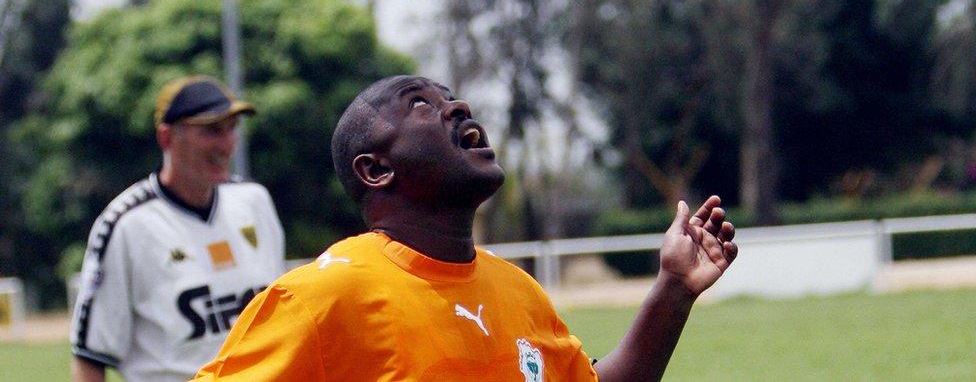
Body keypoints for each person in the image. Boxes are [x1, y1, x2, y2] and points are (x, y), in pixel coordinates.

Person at [195, 75, 737, 381]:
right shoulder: (321, 298)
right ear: (376, 170)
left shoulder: (518, 291)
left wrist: (674, 290)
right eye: (421, 106)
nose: (457, 106)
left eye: (450, 96)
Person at [70, 76, 286, 382]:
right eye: (212, 131)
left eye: (231, 129)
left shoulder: (255, 201)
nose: (226, 145)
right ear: (167, 138)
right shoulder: (126, 223)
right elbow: (90, 355)